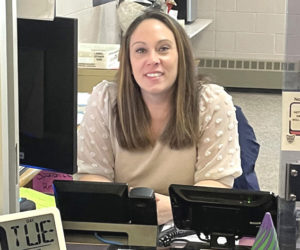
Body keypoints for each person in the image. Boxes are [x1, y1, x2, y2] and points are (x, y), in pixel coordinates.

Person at [76, 10, 242, 225]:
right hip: (123, 220)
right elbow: (92, 175)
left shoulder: (212, 101)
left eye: (163, 49)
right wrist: (132, 206)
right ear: (128, 60)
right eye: (141, 50)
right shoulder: (105, 100)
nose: (152, 60)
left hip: (189, 221)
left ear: (181, 54)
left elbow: (216, 183)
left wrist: (176, 207)